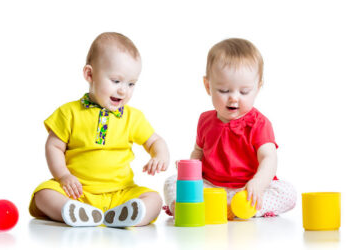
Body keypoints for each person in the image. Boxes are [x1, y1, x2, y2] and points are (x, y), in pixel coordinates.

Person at [29, 32, 170, 227]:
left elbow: (155, 140)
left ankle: (126, 215)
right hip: (76, 192)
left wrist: (159, 155)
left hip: (121, 192)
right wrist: (63, 176)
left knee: (154, 199)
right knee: (43, 195)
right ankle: (75, 211)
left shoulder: (132, 117)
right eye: (116, 81)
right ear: (90, 74)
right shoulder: (69, 112)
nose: (123, 90)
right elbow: (54, 146)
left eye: (131, 84)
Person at [163, 38, 296, 219]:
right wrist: (190, 170)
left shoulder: (259, 123)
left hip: (246, 190)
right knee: (172, 182)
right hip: (211, 188)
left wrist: (258, 182)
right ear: (208, 86)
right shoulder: (204, 120)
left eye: (244, 92)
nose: (233, 98)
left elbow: (269, 158)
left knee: (287, 193)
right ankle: (185, 208)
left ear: (258, 88)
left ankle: (240, 209)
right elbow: (198, 152)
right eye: (224, 91)